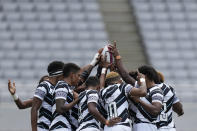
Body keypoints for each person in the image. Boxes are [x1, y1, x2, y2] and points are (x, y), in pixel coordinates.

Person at [31, 61, 64, 131]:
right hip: (43, 128)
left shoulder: (60, 87)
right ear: (59, 75)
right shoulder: (44, 85)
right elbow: (34, 108)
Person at [49, 63, 81, 131]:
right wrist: (77, 99)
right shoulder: (62, 85)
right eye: (78, 75)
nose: (79, 78)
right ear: (72, 75)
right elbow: (60, 109)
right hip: (60, 127)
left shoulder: (68, 88)